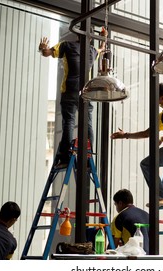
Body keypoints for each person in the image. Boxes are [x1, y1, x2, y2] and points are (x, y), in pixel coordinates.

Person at [39, 27, 108, 167]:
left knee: (69, 123)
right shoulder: (91, 51)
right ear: (90, 38)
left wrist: (42, 48)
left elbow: (46, 53)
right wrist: (104, 37)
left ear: (78, 34)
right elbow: (101, 49)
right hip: (85, 93)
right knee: (87, 123)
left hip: (69, 91)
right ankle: (88, 158)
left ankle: (65, 157)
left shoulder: (67, 45)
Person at [111, 189, 150, 254]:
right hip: (150, 257)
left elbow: (113, 245)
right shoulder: (147, 215)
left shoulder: (119, 218)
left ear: (120, 203)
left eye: (116, 205)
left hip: (133, 256)